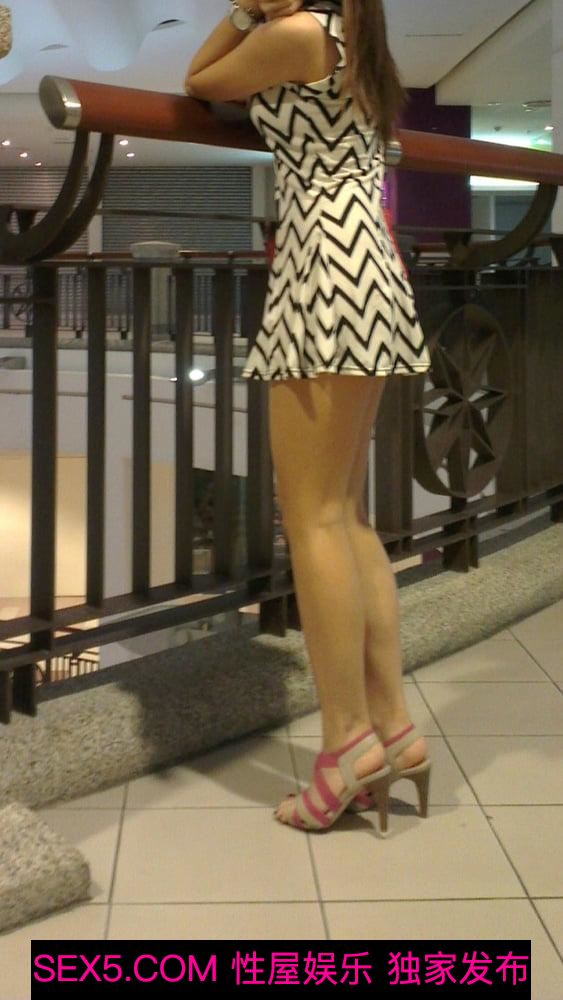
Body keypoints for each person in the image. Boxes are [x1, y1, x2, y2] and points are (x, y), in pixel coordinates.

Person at [185, 0, 432, 834]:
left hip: (321, 268)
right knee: (344, 514)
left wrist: (246, 11)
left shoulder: (293, 36)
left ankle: (345, 742)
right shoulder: (354, 38)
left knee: (314, 517)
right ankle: (390, 727)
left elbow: (199, 79)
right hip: (366, 263)